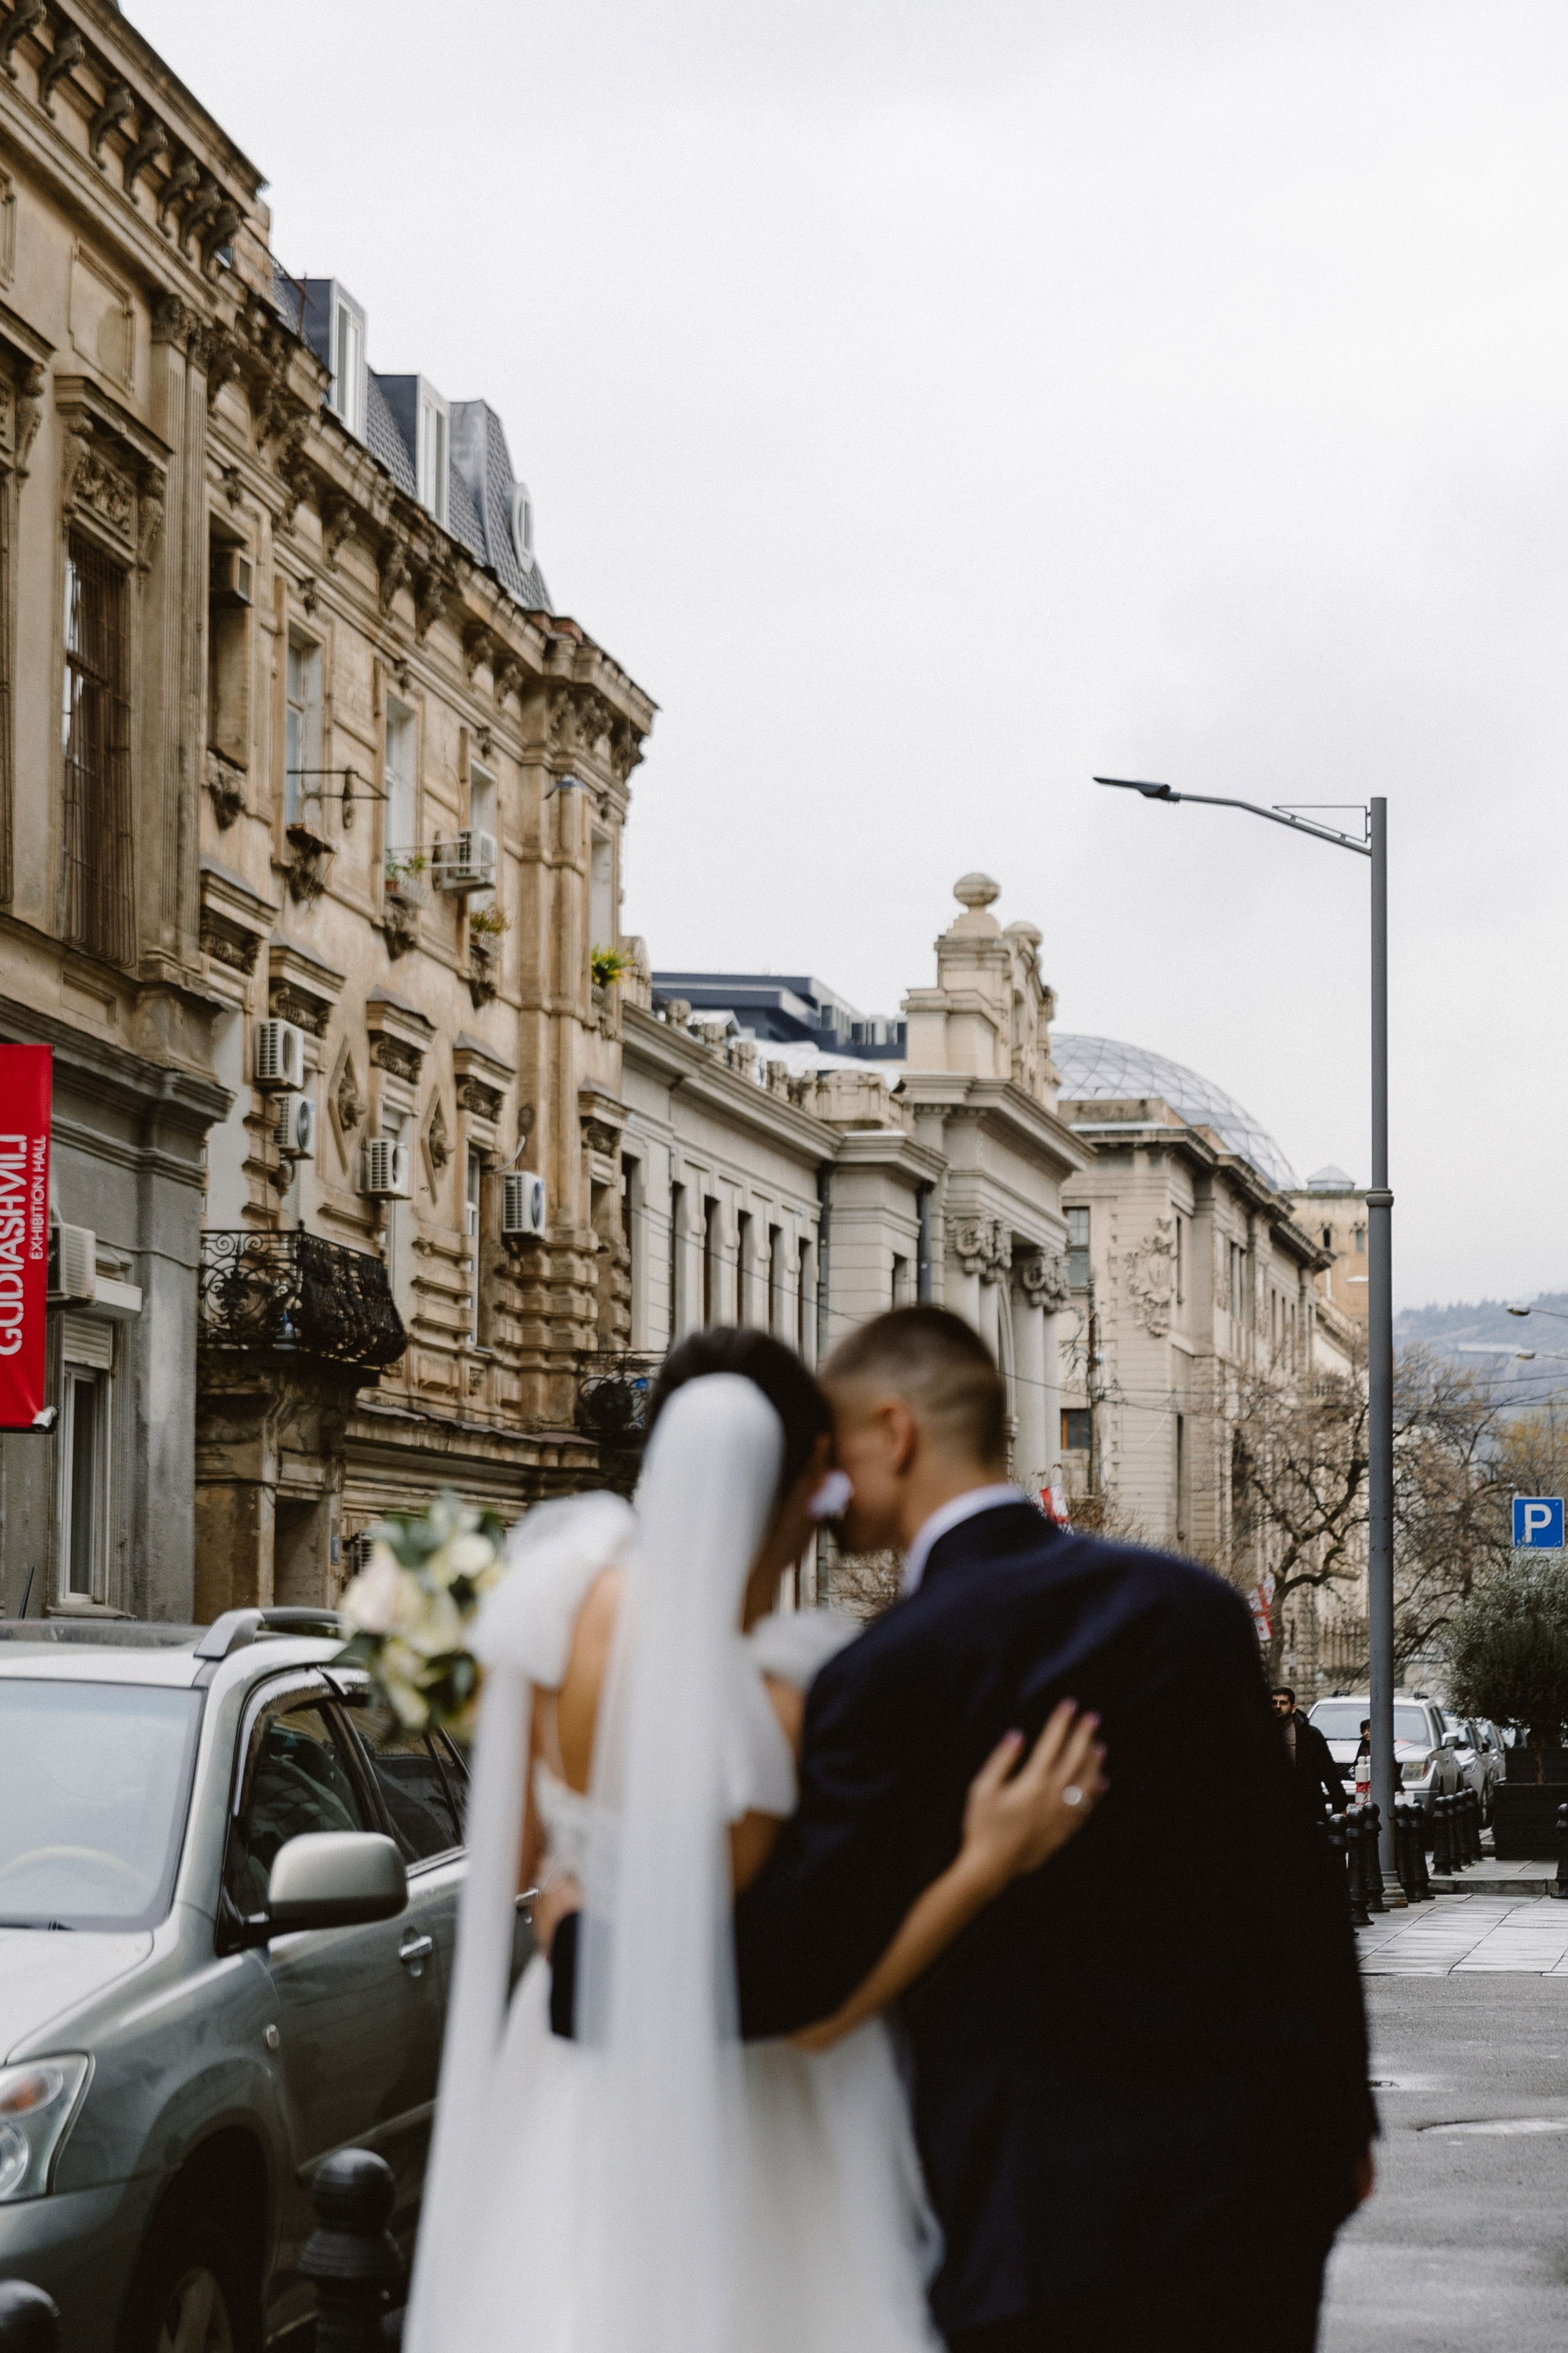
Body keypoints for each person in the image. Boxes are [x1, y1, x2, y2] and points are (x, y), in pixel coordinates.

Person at [404, 1327, 1106, 2353]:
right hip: (740, 2099)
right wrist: (984, 1864)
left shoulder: (557, 1604)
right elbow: (805, 1992)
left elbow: (513, 1865)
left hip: (566, 2072)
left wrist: (574, 1922)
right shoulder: (775, 1704)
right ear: (808, 1476)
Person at [731, 1305, 1376, 2353]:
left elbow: (807, 1967)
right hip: (1252, 2188)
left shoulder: (883, 1673)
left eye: (836, 1448)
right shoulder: (1191, 1608)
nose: (826, 1485)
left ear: (893, 1433)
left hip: (1036, 2218)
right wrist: (1345, 2119)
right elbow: (1295, 1880)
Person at [1273, 1685, 1350, 1818]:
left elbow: (1329, 1771)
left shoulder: (1310, 1735)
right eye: (1274, 1703)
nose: (1278, 1706)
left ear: (1293, 1708)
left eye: (1283, 1703)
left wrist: (1340, 1806)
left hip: (1307, 1805)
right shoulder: (1261, 1733)